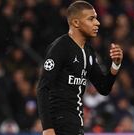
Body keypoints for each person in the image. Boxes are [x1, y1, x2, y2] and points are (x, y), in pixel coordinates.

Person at [36, 1, 123, 135]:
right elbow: (43, 88)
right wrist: (47, 128)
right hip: (59, 124)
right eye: (91, 19)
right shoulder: (60, 47)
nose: (97, 23)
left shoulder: (88, 52)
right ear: (76, 23)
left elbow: (104, 88)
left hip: (77, 124)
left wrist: (115, 64)